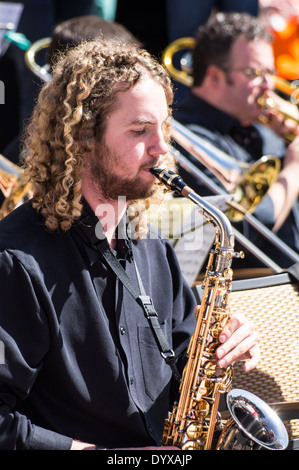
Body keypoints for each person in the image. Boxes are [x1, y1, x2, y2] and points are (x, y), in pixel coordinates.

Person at [0, 39, 259, 450]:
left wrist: (221, 342)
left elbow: (180, 361)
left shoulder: (153, 247)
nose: (162, 149)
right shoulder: (15, 261)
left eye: (164, 129)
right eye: (140, 131)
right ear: (82, 136)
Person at [173, 12, 299, 269]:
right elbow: (242, 228)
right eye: (255, 73)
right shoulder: (186, 137)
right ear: (215, 76)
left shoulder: (268, 132)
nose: (269, 87)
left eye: (271, 74)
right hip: (258, 292)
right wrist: (295, 167)